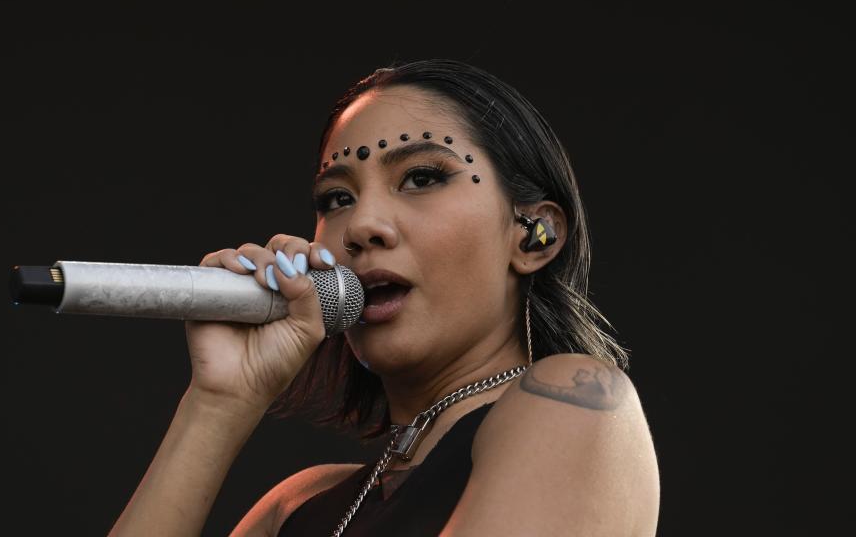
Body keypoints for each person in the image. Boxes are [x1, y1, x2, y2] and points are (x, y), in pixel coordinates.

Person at [108, 59, 661, 536]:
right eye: (337, 197)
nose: (361, 226)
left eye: (421, 177)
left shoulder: (573, 402)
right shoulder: (298, 507)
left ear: (532, 234)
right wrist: (219, 403)